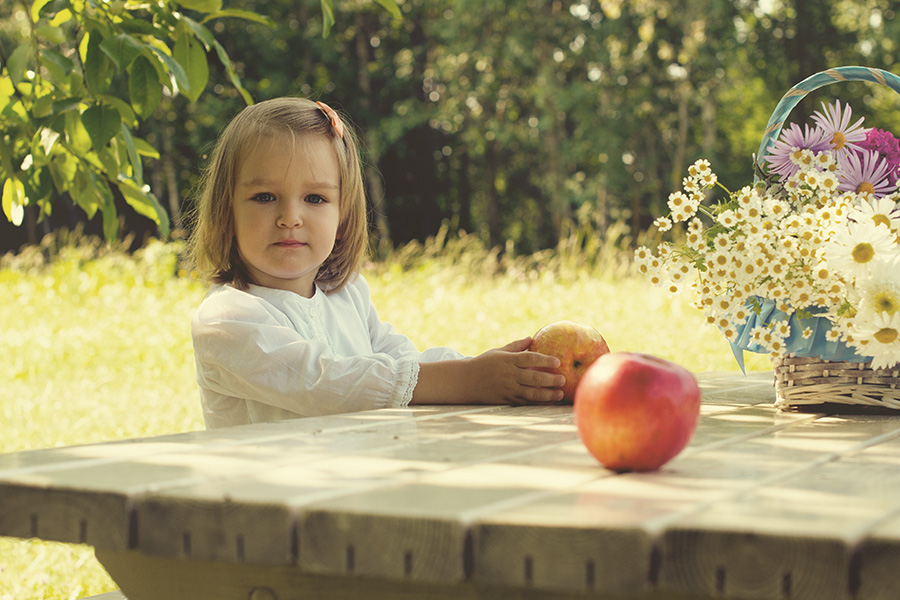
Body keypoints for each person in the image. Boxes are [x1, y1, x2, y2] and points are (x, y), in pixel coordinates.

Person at [188, 97, 564, 429]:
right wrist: (467, 379)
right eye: (265, 196)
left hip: (356, 485)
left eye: (315, 199)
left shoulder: (346, 294)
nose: (290, 217)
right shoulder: (226, 319)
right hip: (267, 501)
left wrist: (486, 369)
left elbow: (402, 359)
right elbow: (328, 383)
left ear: (343, 216)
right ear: (226, 211)